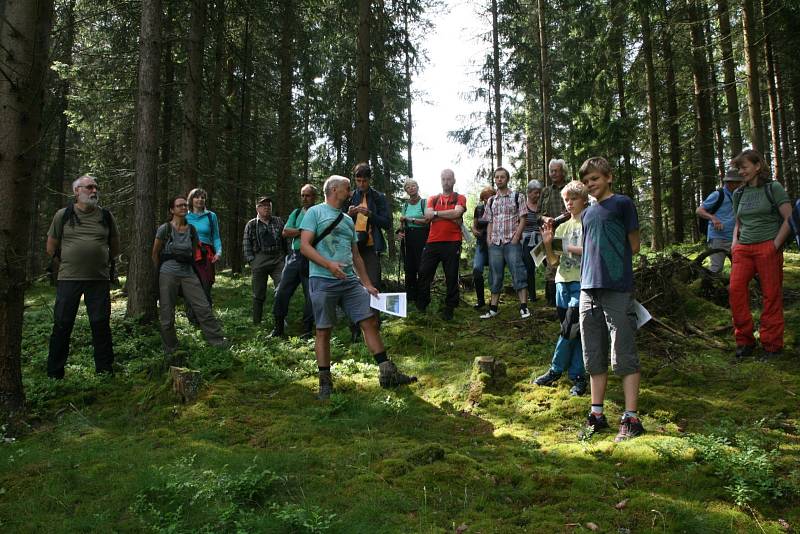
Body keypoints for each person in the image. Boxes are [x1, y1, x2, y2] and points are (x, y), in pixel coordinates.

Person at [300, 175, 417, 400]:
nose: (349, 191)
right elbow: (305, 246)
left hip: (350, 281)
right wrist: (329, 265)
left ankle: (386, 372)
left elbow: (355, 255)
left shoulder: (346, 220)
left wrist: (367, 283)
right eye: (346, 188)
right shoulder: (315, 213)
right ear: (334, 190)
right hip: (323, 279)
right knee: (323, 330)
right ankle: (325, 383)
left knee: (369, 320)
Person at [578, 156, 644, 442]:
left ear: (608, 177)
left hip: (616, 287)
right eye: (586, 181)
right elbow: (588, 249)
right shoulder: (588, 213)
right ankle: (597, 414)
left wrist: (615, 268)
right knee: (593, 354)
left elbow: (634, 244)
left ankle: (631, 418)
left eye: (594, 178)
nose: (590, 184)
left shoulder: (622, 204)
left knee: (624, 351)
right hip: (587, 289)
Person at [46, 174, 120, 379]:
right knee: (62, 324)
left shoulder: (106, 216)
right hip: (68, 279)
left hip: (99, 279)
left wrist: (101, 260)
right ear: (76, 191)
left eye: (96, 187)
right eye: (89, 187)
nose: (94, 191)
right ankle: (54, 374)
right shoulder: (63, 215)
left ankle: (105, 371)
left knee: (101, 324)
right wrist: (69, 263)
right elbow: (51, 246)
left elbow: (114, 245)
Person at [729, 149, 793, 360]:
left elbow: (789, 218)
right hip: (743, 250)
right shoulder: (739, 193)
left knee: (771, 295)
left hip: (767, 247)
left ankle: (772, 344)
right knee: (736, 291)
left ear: (757, 166)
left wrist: (774, 245)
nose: (741, 171)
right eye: (739, 168)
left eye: (744, 167)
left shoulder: (772, 188)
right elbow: (738, 221)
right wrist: (735, 244)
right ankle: (745, 341)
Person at [152, 196, 230, 355]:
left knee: (203, 307)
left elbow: (193, 251)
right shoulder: (165, 229)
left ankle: (217, 341)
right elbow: (155, 253)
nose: (183, 208)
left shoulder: (192, 230)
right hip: (168, 272)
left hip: (188, 271)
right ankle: (171, 349)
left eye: (185, 205)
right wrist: (160, 271)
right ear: (172, 210)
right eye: (179, 205)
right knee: (167, 312)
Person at [533, 181, 589, 396]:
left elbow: (592, 251)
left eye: (573, 199)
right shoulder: (563, 226)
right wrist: (548, 243)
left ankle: (557, 370)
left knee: (570, 329)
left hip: (581, 283)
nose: (569, 203)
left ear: (584, 200)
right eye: (566, 199)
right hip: (561, 283)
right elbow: (554, 261)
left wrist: (566, 247)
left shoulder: (588, 222)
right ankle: (577, 377)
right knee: (571, 331)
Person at [416, 169, 467, 321]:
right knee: (424, 272)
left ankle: (450, 307)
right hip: (432, 241)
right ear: (440, 180)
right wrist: (450, 215)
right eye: (444, 179)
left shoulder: (460, 197)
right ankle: (422, 305)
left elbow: (457, 213)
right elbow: (427, 216)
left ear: (454, 180)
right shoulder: (433, 198)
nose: (446, 182)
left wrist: (437, 215)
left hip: (452, 242)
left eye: (449, 179)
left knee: (451, 275)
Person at [480, 167, 530, 319]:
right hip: (495, 242)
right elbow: (489, 221)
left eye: (502, 177)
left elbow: (523, 218)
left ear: (507, 179)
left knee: (518, 271)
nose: (499, 179)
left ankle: (524, 307)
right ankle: (493, 308)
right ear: (494, 179)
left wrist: (516, 237)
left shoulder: (517, 196)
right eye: (497, 177)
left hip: (511, 241)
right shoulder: (491, 200)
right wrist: (489, 239)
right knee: (495, 275)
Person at [271, 184, 317, 338]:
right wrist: (304, 231)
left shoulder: (319, 212)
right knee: (281, 291)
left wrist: (297, 232)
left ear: (314, 197)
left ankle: (307, 330)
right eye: (302, 195)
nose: (304, 198)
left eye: (308, 195)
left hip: (312, 257)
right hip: (295, 256)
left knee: (310, 295)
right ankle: (278, 328)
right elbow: (285, 231)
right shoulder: (296, 212)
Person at [347, 163, 390, 291]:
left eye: (364, 181)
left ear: (369, 180)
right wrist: (348, 214)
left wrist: (370, 214)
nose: (361, 184)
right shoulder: (349, 197)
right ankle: (357, 311)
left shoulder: (378, 197)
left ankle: (373, 311)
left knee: (373, 283)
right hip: (351, 246)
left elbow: (387, 223)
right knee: (353, 285)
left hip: (371, 247)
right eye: (358, 181)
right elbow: (338, 221)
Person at [243, 196, 285, 326]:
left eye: (268, 205)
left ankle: (281, 320)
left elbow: (285, 240)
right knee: (258, 293)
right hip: (259, 259)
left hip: (278, 259)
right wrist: (252, 261)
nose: (266, 207)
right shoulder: (251, 224)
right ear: (257, 208)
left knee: (282, 289)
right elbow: (246, 243)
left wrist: (287, 257)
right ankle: (257, 322)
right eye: (263, 205)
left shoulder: (278, 221)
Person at [696, 168, 744, 274]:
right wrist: (713, 218)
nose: (740, 184)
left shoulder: (738, 195)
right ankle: (708, 286)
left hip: (735, 238)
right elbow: (699, 210)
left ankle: (733, 288)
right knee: (716, 268)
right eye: (738, 182)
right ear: (730, 183)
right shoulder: (717, 195)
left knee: (740, 267)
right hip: (718, 238)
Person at [186, 188, 222, 322]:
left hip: (206, 254)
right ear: (191, 199)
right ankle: (192, 318)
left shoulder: (210, 216)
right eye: (197, 197)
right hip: (189, 254)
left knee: (206, 286)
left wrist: (218, 252)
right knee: (190, 286)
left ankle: (207, 318)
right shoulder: (185, 216)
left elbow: (216, 237)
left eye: (203, 197)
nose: (200, 200)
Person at [541, 158, 569, 306]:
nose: (552, 173)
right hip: (550, 233)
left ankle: (569, 296)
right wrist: (545, 218)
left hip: (569, 231)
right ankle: (552, 301)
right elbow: (538, 213)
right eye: (551, 171)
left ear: (563, 172)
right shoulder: (545, 191)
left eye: (556, 170)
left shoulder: (570, 187)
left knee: (568, 262)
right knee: (551, 266)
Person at [398, 179, 429, 307]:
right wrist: (399, 232)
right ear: (406, 190)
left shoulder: (424, 202)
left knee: (421, 268)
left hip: (421, 237)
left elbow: (427, 220)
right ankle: (411, 298)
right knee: (409, 268)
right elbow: (401, 222)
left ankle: (423, 299)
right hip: (408, 237)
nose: (411, 188)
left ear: (417, 187)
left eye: (413, 186)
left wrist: (410, 219)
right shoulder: (405, 205)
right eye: (408, 187)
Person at [471, 186, 495, 309]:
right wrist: (474, 231)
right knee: (476, 269)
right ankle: (480, 300)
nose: (487, 199)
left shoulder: (497, 208)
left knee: (494, 271)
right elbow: (474, 225)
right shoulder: (478, 209)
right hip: (481, 243)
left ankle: (493, 300)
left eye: (490, 196)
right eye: (485, 197)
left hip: (494, 243)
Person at [521, 180, 544, 302]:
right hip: (527, 241)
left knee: (549, 265)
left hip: (542, 240)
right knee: (529, 268)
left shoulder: (542, 206)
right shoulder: (523, 206)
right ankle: (532, 296)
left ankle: (551, 294)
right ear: (529, 193)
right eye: (536, 193)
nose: (538, 195)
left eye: (539, 193)